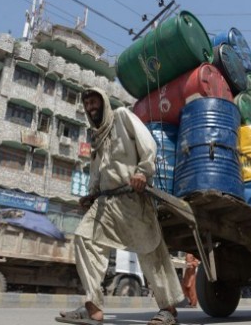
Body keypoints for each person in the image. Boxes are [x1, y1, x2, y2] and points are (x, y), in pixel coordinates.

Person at [56, 87, 184, 325]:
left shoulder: (123, 117)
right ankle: (92, 307)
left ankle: (168, 309)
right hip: (105, 202)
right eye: (87, 104)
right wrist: (91, 195)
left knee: (150, 250)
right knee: (85, 238)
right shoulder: (97, 136)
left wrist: (143, 172)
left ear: (104, 102)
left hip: (132, 197)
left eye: (94, 102)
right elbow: (98, 170)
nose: (91, 107)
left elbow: (149, 145)